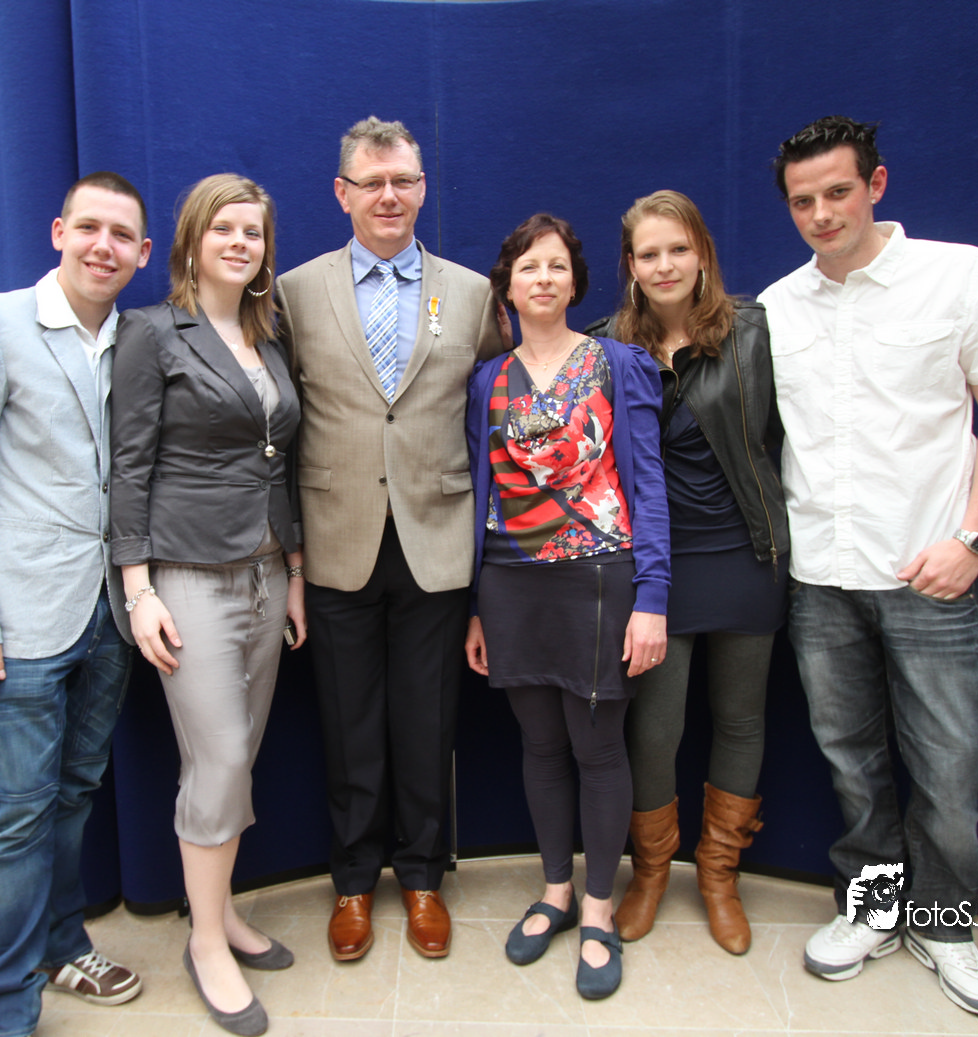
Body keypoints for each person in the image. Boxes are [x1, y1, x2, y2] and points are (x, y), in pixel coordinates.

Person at [759, 116, 978, 1016]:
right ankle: (875, 908)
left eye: (836, 192)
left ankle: (947, 925)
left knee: (950, 767)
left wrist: (973, 538)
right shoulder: (776, 306)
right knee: (851, 763)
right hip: (820, 577)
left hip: (931, 573)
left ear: (875, 185)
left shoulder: (960, 275)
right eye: (802, 201)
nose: (820, 214)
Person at [0, 171, 151, 1037]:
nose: (103, 246)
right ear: (59, 231)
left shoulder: (135, 339)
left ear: (140, 253)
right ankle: (6, 1004)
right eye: (88, 227)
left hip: (109, 613)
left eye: (120, 235)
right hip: (17, 622)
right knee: (17, 814)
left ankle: (61, 943)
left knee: (75, 790)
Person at [276, 116, 502, 962]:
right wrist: (289, 555)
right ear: (341, 193)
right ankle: (351, 881)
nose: (388, 196)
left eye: (403, 180)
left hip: (436, 540)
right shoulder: (293, 292)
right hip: (336, 538)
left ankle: (421, 877)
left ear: (422, 187)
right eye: (371, 182)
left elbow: (488, 404)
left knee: (426, 722)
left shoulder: (469, 293)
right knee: (348, 726)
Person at [110, 174, 305, 1037]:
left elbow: (279, 463)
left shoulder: (268, 335)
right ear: (191, 240)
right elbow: (128, 467)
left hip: (266, 573)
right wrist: (138, 590)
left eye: (252, 232)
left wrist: (294, 571)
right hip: (186, 575)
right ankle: (204, 941)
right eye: (223, 228)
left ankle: (220, 910)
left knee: (238, 755)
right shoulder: (152, 332)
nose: (239, 243)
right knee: (219, 757)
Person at [464, 213, 668, 1000]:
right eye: (528, 267)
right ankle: (554, 890)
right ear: (508, 287)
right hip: (510, 584)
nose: (543, 278)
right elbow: (480, 494)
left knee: (597, 748)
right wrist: (475, 606)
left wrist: (652, 598)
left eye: (556, 266)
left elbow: (646, 484)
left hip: (599, 582)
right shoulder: (486, 378)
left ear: (575, 282)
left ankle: (597, 909)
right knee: (540, 745)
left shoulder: (619, 363)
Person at [592, 191, 789, 956]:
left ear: (701, 253)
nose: (664, 265)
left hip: (744, 555)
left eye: (677, 249)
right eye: (648, 254)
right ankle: (649, 873)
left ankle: (717, 875)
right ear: (630, 266)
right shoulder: (607, 346)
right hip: (655, 570)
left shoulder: (753, 332)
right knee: (655, 729)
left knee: (740, 719)